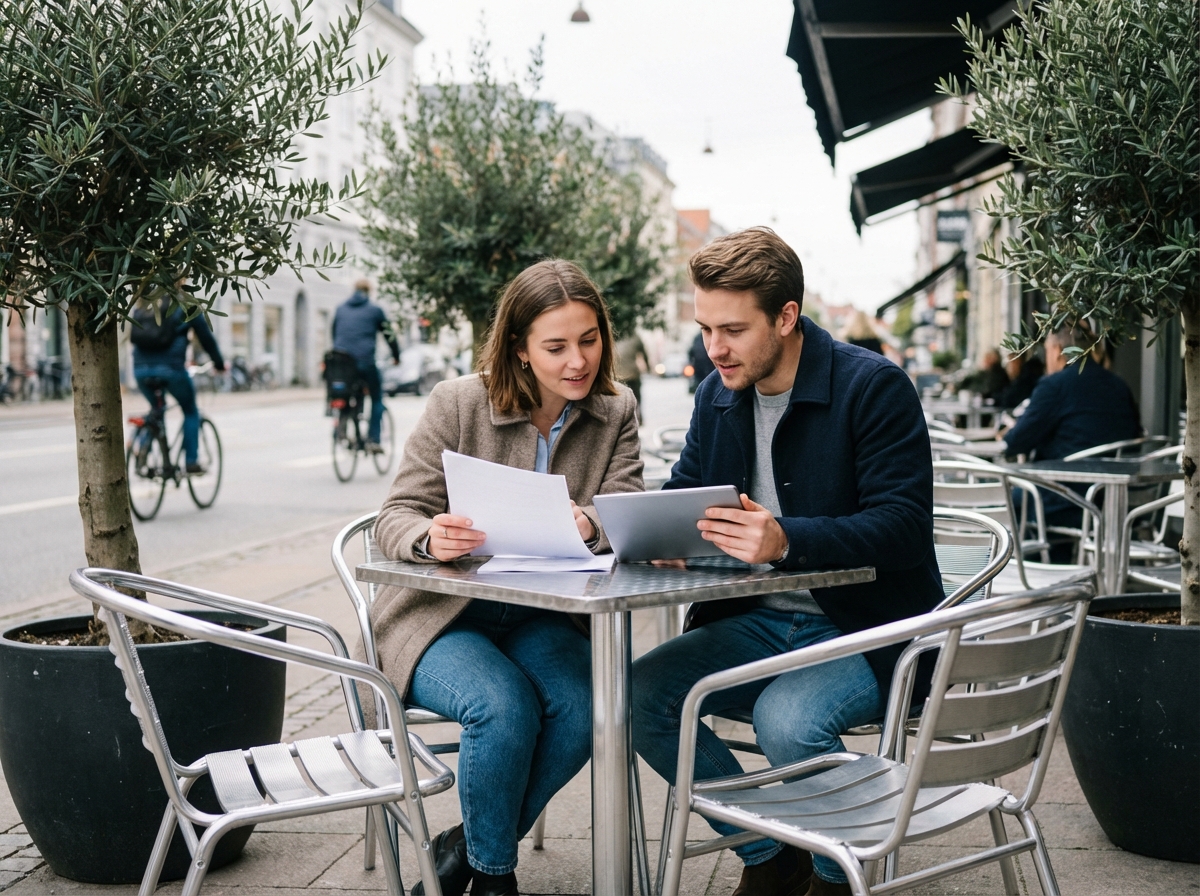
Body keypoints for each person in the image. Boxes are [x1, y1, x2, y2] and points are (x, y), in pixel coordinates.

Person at [630, 228, 942, 896]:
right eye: (707, 328)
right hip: (755, 621)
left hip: (863, 626)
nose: (714, 349)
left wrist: (785, 542)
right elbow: (687, 492)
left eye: (733, 330)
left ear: (787, 316)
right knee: (637, 696)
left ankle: (837, 875)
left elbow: (905, 528)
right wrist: (648, 532)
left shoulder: (873, 387)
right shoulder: (718, 395)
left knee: (786, 720)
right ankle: (769, 857)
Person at [365, 260, 643, 896]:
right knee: (503, 707)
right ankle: (495, 879)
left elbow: (624, 507)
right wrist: (428, 538)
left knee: (587, 707)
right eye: (556, 347)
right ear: (519, 349)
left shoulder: (615, 407)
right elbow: (395, 516)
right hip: (443, 615)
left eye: (590, 339)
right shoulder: (458, 402)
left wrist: (591, 526)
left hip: (544, 614)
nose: (579, 361)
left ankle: (466, 848)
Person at [1003, 324, 1141, 549]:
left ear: (1057, 350)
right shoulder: (1119, 385)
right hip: (1113, 500)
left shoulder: (1055, 385)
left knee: (1009, 498)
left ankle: (1030, 570)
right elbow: (1135, 437)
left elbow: (1014, 442)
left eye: (1046, 350)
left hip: (1067, 500)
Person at [131, 283, 226, 474]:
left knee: (157, 409)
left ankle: (142, 445)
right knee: (190, 411)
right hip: (172, 370)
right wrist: (219, 364)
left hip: (140, 371)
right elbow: (206, 339)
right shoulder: (186, 305)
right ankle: (191, 462)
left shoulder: (144, 304)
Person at [331, 278, 399, 452]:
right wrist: (396, 356)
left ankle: (342, 427)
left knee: (347, 392)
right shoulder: (375, 310)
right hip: (364, 362)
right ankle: (373, 440)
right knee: (376, 398)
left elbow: (334, 334)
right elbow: (389, 335)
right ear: (369, 292)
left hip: (342, 364)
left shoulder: (340, 309)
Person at [614, 333, 649, 407]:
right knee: (636, 403)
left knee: (620, 405)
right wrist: (648, 367)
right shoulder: (635, 337)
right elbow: (644, 354)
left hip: (617, 378)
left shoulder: (613, 336)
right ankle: (638, 416)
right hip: (632, 376)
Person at [688, 329, 716, 393]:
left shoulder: (698, 338)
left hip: (708, 364)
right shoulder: (697, 338)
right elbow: (690, 352)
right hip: (700, 366)